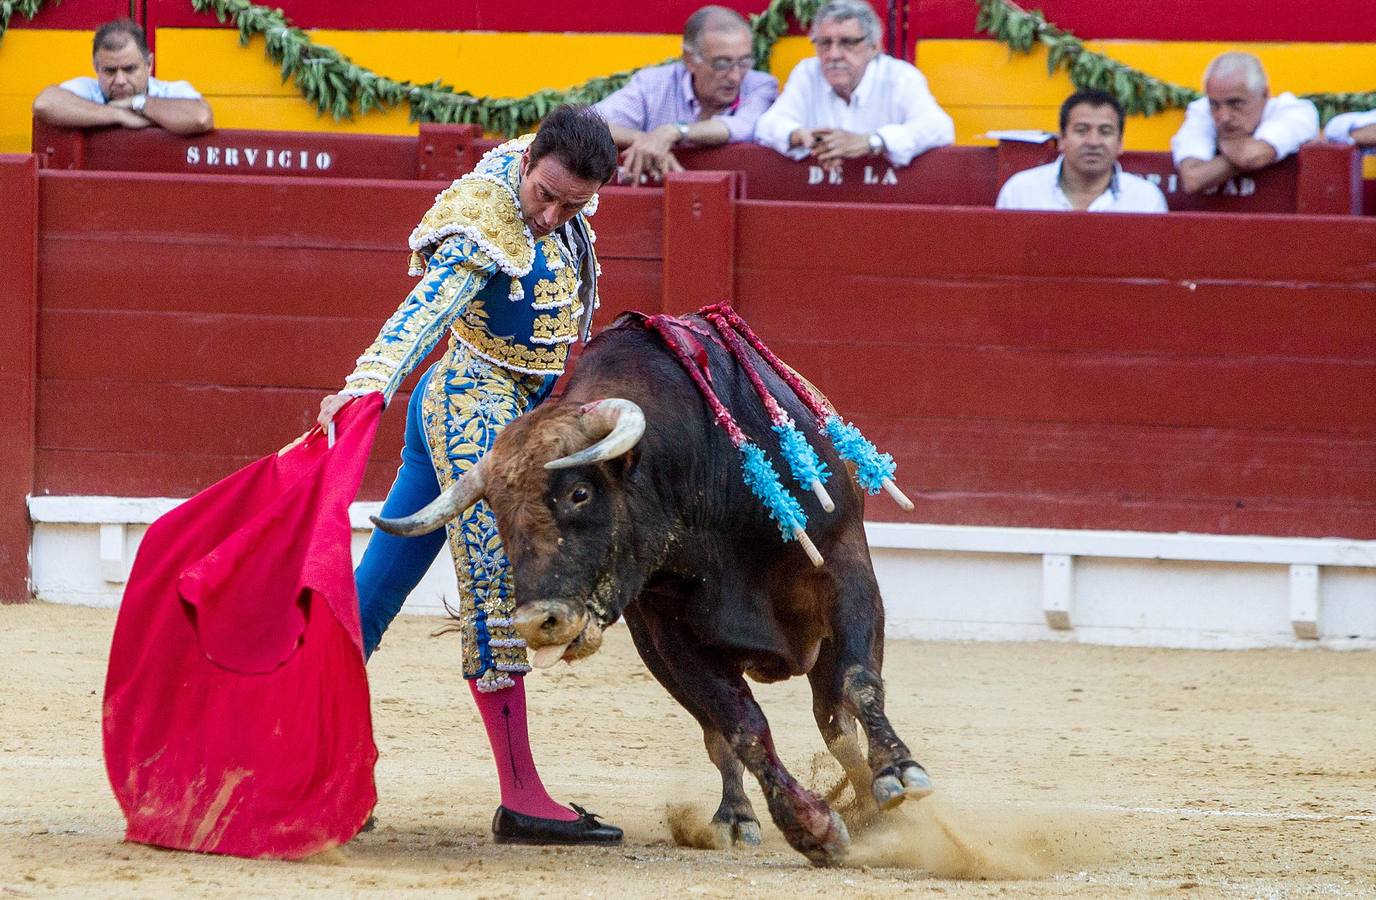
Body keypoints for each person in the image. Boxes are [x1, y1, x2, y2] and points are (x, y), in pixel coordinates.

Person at [315, 105, 622, 846]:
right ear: (526, 166)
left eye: (571, 204)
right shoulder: (485, 215)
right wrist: (363, 390)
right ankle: (523, 797)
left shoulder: (556, 171)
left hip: (513, 409)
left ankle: (290, 753)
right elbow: (423, 313)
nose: (549, 216)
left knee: (375, 588)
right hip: (470, 407)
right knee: (494, 584)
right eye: (544, 195)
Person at [754, 0, 953, 170]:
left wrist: (872, 142)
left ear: (874, 46)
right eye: (824, 43)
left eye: (847, 43)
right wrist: (802, 136)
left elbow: (939, 128)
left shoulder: (900, 76)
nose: (833, 54)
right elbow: (767, 125)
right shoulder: (807, 73)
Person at [593, 5, 778, 183]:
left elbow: (744, 126)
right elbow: (588, 123)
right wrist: (644, 139)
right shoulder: (654, 85)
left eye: (744, 62)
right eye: (722, 64)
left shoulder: (760, 85)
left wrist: (673, 131)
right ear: (690, 60)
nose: (736, 76)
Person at [32, 19, 212, 136]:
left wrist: (138, 103)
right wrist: (118, 114)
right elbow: (44, 103)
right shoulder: (88, 90)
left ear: (149, 65)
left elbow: (201, 118)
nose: (120, 80)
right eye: (110, 71)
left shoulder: (170, 91)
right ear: (96, 68)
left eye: (130, 69)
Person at [996, 90, 1167, 213]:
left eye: (1105, 131)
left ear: (1120, 143)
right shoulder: (1021, 191)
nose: (1093, 142)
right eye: (1081, 130)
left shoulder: (1145, 198)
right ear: (1062, 139)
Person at [1170, 52, 1317, 194]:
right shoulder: (1203, 109)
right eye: (1215, 104)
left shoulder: (1295, 111)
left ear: (1264, 94)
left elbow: (1251, 157)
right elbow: (1193, 179)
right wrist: (1246, 153)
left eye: (1236, 103)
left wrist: (1225, 142)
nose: (1224, 116)